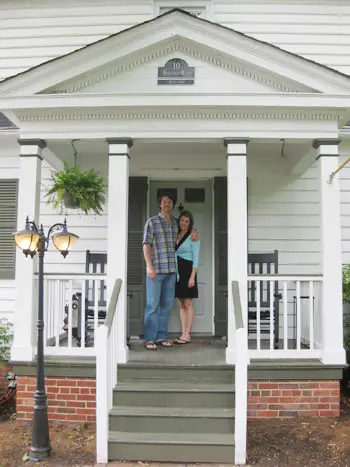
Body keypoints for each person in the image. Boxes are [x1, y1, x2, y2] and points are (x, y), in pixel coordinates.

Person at [142, 193, 198, 351]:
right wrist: (149, 266)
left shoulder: (175, 223)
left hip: (172, 272)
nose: (167, 204)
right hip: (156, 270)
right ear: (160, 204)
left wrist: (194, 230)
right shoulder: (152, 222)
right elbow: (146, 245)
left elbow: (185, 231)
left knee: (166, 306)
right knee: (153, 305)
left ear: (173, 205)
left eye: (170, 202)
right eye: (164, 202)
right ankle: (150, 339)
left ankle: (161, 336)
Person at [173, 211, 200, 345]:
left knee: (188, 304)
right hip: (177, 272)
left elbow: (196, 258)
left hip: (188, 271)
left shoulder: (193, 236)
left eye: (187, 221)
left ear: (190, 223)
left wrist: (192, 277)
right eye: (182, 220)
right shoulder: (176, 234)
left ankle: (187, 334)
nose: (184, 223)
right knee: (181, 304)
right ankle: (183, 333)